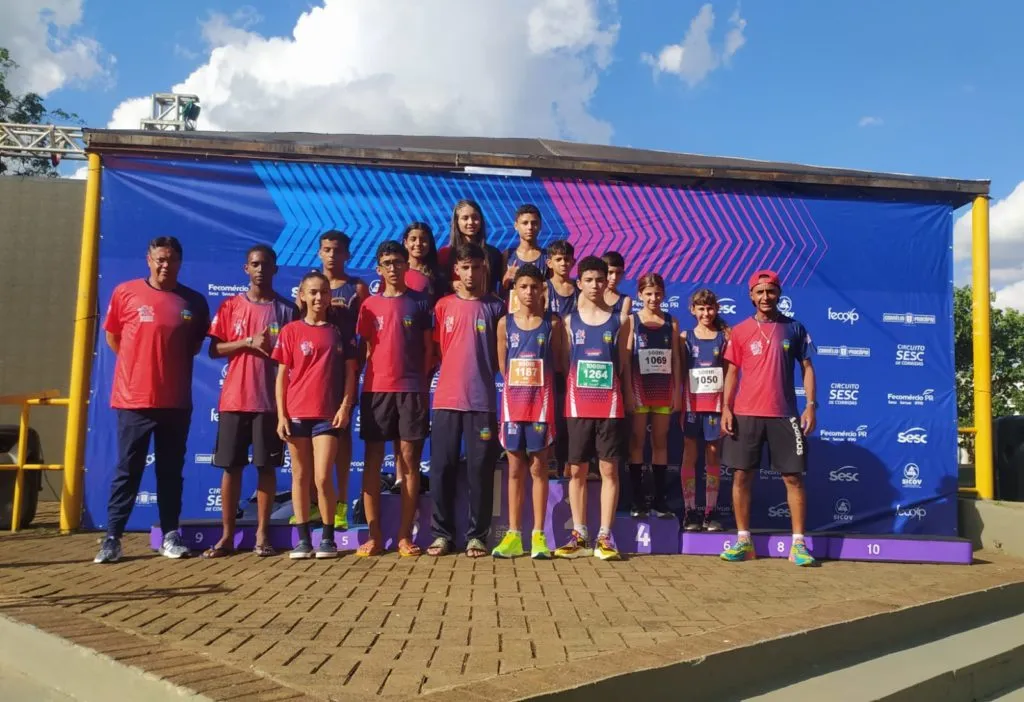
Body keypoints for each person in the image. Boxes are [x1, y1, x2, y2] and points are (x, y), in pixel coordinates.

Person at [94, 236, 210, 564]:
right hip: (133, 400)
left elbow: (193, 345)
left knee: (170, 471)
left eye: (171, 259)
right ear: (148, 260)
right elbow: (114, 337)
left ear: (179, 262)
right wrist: (139, 367)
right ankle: (112, 538)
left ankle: (170, 535)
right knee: (127, 470)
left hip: (175, 402)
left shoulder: (195, 302)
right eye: (159, 258)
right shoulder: (125, 292)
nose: (165, 265)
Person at [720, 269, 817, 566]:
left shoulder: (794, 328)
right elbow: (733, 373)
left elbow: (808, 368)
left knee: (793, 478)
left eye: (771, 291)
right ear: (751, 295)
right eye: (759, 292)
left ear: (779, 293)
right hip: (746, 414)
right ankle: (744, 541)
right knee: (741, 476)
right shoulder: (739, 331)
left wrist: (811, 405)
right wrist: (726, 407)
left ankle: (798, 545)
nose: (765, 297)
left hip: (783, 415)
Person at [205, 245, 296, 558]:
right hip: (234, 400)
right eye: (255, 264)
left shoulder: (287, 310)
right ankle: (227, 537)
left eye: (266, 265)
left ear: (275, 269)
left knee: (266, 469)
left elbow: (293, 358)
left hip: (270, 404)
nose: (260, 269)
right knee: (231, 469)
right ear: (246, 269)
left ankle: (262, 536)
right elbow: (214, 350)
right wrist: (246, 342)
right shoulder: (230, 306)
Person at [355, 241, 433, 558]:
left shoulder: (420, 304)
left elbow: (430, 352)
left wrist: (420, 385)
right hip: (376, 392)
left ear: (406, 266)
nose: (392, 267)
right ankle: (374, 536)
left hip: (412, 391)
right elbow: (365, 350)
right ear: (378, 268)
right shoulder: (368, 305)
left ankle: (404, 536)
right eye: (386, 262)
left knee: (409, 463)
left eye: (398, 262)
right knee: (372, 462)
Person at [428, 242, 505, 557]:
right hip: (446, 402)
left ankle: (477, 536)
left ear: (484, 269)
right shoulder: (442, 306)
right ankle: (442, 535)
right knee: (442, 469)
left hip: (482, 404)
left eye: (476, 267)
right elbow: (437, 351)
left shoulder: (497, 307)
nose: (470, 273)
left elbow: (500, 357)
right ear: (455, 271)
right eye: (465, 267)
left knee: (480, 472)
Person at [273, 272, 357, 559]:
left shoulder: (338, 331)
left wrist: (345, 406)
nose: (318, 298)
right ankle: (304, 541)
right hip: (296, 413)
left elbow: (350, 373)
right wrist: (281, 415)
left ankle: (329, 538)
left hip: (327, 416)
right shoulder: (291, 331)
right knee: (300, 477)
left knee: (322, 477)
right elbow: (282, 377)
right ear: (302, 296)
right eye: (312, 292)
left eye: (323, 292)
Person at [554, 256, 627, 561]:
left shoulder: (621, 320)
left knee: (609, 470)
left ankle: (605, 537)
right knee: (577, 471)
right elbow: (563, 363)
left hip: (610, 407)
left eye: (601, 279)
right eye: (589, 280)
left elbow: (622, 364)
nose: (596, 285)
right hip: (577, 406)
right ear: (579, 282)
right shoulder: (569, 322)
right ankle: (579, 534)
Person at [492, 264, 563, 559]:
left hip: (541, 408)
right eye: (523, 287)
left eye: (535, 286)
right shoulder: (503, 324)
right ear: (515, 291)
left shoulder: (553, 323)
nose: (529, 292)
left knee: (538, 470)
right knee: (515, 470)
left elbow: (558, 364)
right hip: (513, 407)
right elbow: (502, 366)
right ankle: (512, 535)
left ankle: (538, 535)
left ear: (542, 290)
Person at [319, 230, 368, 532]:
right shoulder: (310, 286)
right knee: (311, 440)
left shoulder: (356, 287)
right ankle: (314, 503)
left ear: (347, 254)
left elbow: (366, 333)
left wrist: (358, 365)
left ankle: (339, 504)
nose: (331, 255)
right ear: (319, 253)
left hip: (344, 372)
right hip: (312, 375)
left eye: (337, 250)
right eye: (326, 250)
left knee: (342, 438)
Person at [622, 273, 682, 518]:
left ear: (664, 294)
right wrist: (627, 390)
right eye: (648, 294)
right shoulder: (631, 321)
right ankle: (637, 500)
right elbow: (625, 359)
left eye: (657, 293)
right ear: (640, 295)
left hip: (663, 390)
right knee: (636, 442)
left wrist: (677, 391)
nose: (653, 298)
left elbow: (676, 359)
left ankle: (659, 500)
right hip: (638, 390)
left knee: (660, 442)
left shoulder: (672, 322)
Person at [681, 289, 729, 532]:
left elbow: (731, 375)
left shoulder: (725, 338)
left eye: (710, 308)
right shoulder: (684, 337)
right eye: (701, 309)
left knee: (712, 456)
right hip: (691, 407)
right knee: (689, 455)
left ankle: (709, 512)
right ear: (693, 310)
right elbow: (678, 373)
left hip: (716, 408)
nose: (706, 313)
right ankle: (690, 511)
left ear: (716, 310)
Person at [545, 240, 577, 478]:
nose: (563, 263)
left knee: (570, 416)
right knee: (551, 414)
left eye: (567, 259)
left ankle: (569, 462)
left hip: (575, 362)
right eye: (558, 259)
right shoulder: (543, 289)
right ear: (549, 263)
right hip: (550, 361)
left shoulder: (580, 289)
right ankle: (551, 460)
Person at [437, 199, 505, 296]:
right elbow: (434, 285)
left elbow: (500, 287)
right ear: (457, 222)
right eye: (465, 218)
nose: (471, 222)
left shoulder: (493, 253)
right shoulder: (444, 254)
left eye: (475, 217)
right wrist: (449, 284)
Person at [502, 204, 546, 312]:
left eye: (534, 223)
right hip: (513, 315)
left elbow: (553, 288)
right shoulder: (508, 255)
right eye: (525, 223)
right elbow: (500, 290)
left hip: (539, 315)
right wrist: (506, 279)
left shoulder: (547, 256)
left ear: (540, 225)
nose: (530, 227)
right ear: (516, 225)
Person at [402, 221, 445, 303]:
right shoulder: (396, 271)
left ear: (430, 243)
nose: (418, 243)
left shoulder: (438, 275)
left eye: (423, 239)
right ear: (405, 243)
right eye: (413, 239)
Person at [602, 251, 632, 325]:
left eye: (618, 273)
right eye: (610, 272)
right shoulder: (588, 295)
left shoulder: (625, 300)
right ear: (602, 272)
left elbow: (622, 327)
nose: (614, 277)